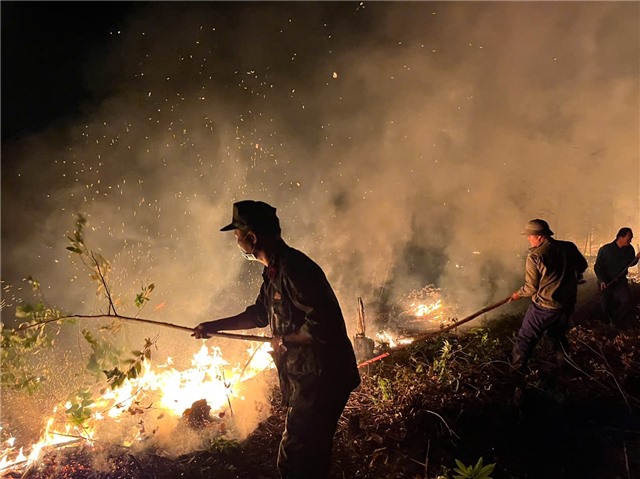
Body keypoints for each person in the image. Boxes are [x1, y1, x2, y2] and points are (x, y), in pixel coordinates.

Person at [193, 200, 361, 479]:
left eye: (237, 237)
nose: (237, 242)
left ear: (252, 238)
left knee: (294, 461)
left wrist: (286, 338)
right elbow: (260, 314)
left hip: (322, 379)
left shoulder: (295, 269)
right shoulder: (274, 271)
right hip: (310, 379)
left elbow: (325, 325)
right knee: (310, 459)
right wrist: (213, 326)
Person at [509, 219, 588, 372]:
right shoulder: (568, 247)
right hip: (566, 305)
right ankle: (563, 369)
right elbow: (582, 265)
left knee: (526, 338)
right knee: (557, 336)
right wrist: (572, 276)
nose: (528, 239)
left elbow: (531, 288)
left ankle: (516, 373)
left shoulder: (535, 256)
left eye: (529, 236)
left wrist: (518, 294)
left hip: (544, 306)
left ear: (540, 236)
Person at [594, 227, 640, 328]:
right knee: (606, 305)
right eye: (629, 238)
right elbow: (598, 267)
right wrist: (602, 280)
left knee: (626, 301)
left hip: (620, 281)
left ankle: (616, 321)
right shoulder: (605, 250)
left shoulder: (629, 249)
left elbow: (630, 263)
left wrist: (636, 258)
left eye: (631, 238)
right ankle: (605, 324)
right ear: (620, 237)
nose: (630, 240)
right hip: (606, 281)